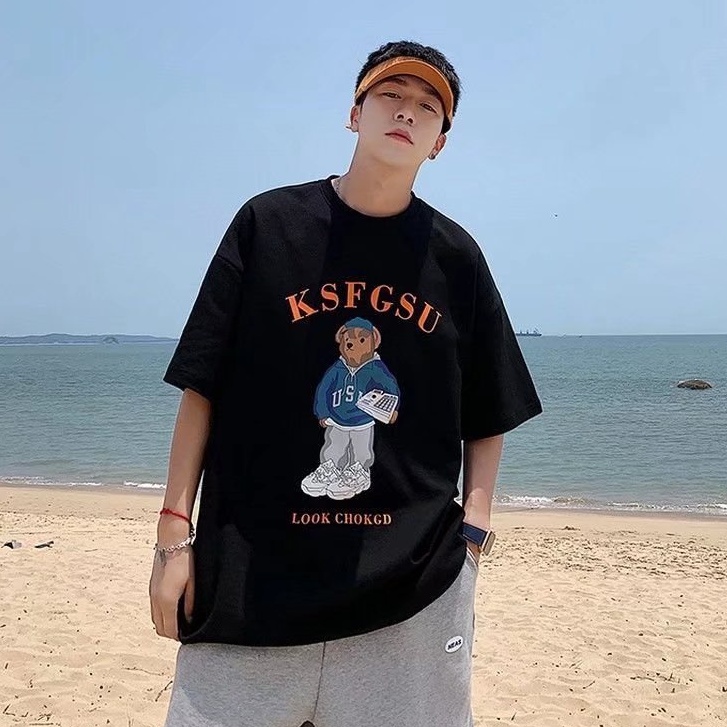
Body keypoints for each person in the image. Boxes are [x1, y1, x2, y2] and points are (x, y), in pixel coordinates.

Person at [149, 39, 542, 727]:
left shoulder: (456, 258)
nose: (406, 112)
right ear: (354, 114)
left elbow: (489, 408)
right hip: (252, 578)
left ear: (440, 144)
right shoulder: (267, 225)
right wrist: (173, 535)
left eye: (428, 107)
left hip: (412, 590)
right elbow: (201, 386)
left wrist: (474, 533)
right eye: (391, 95)